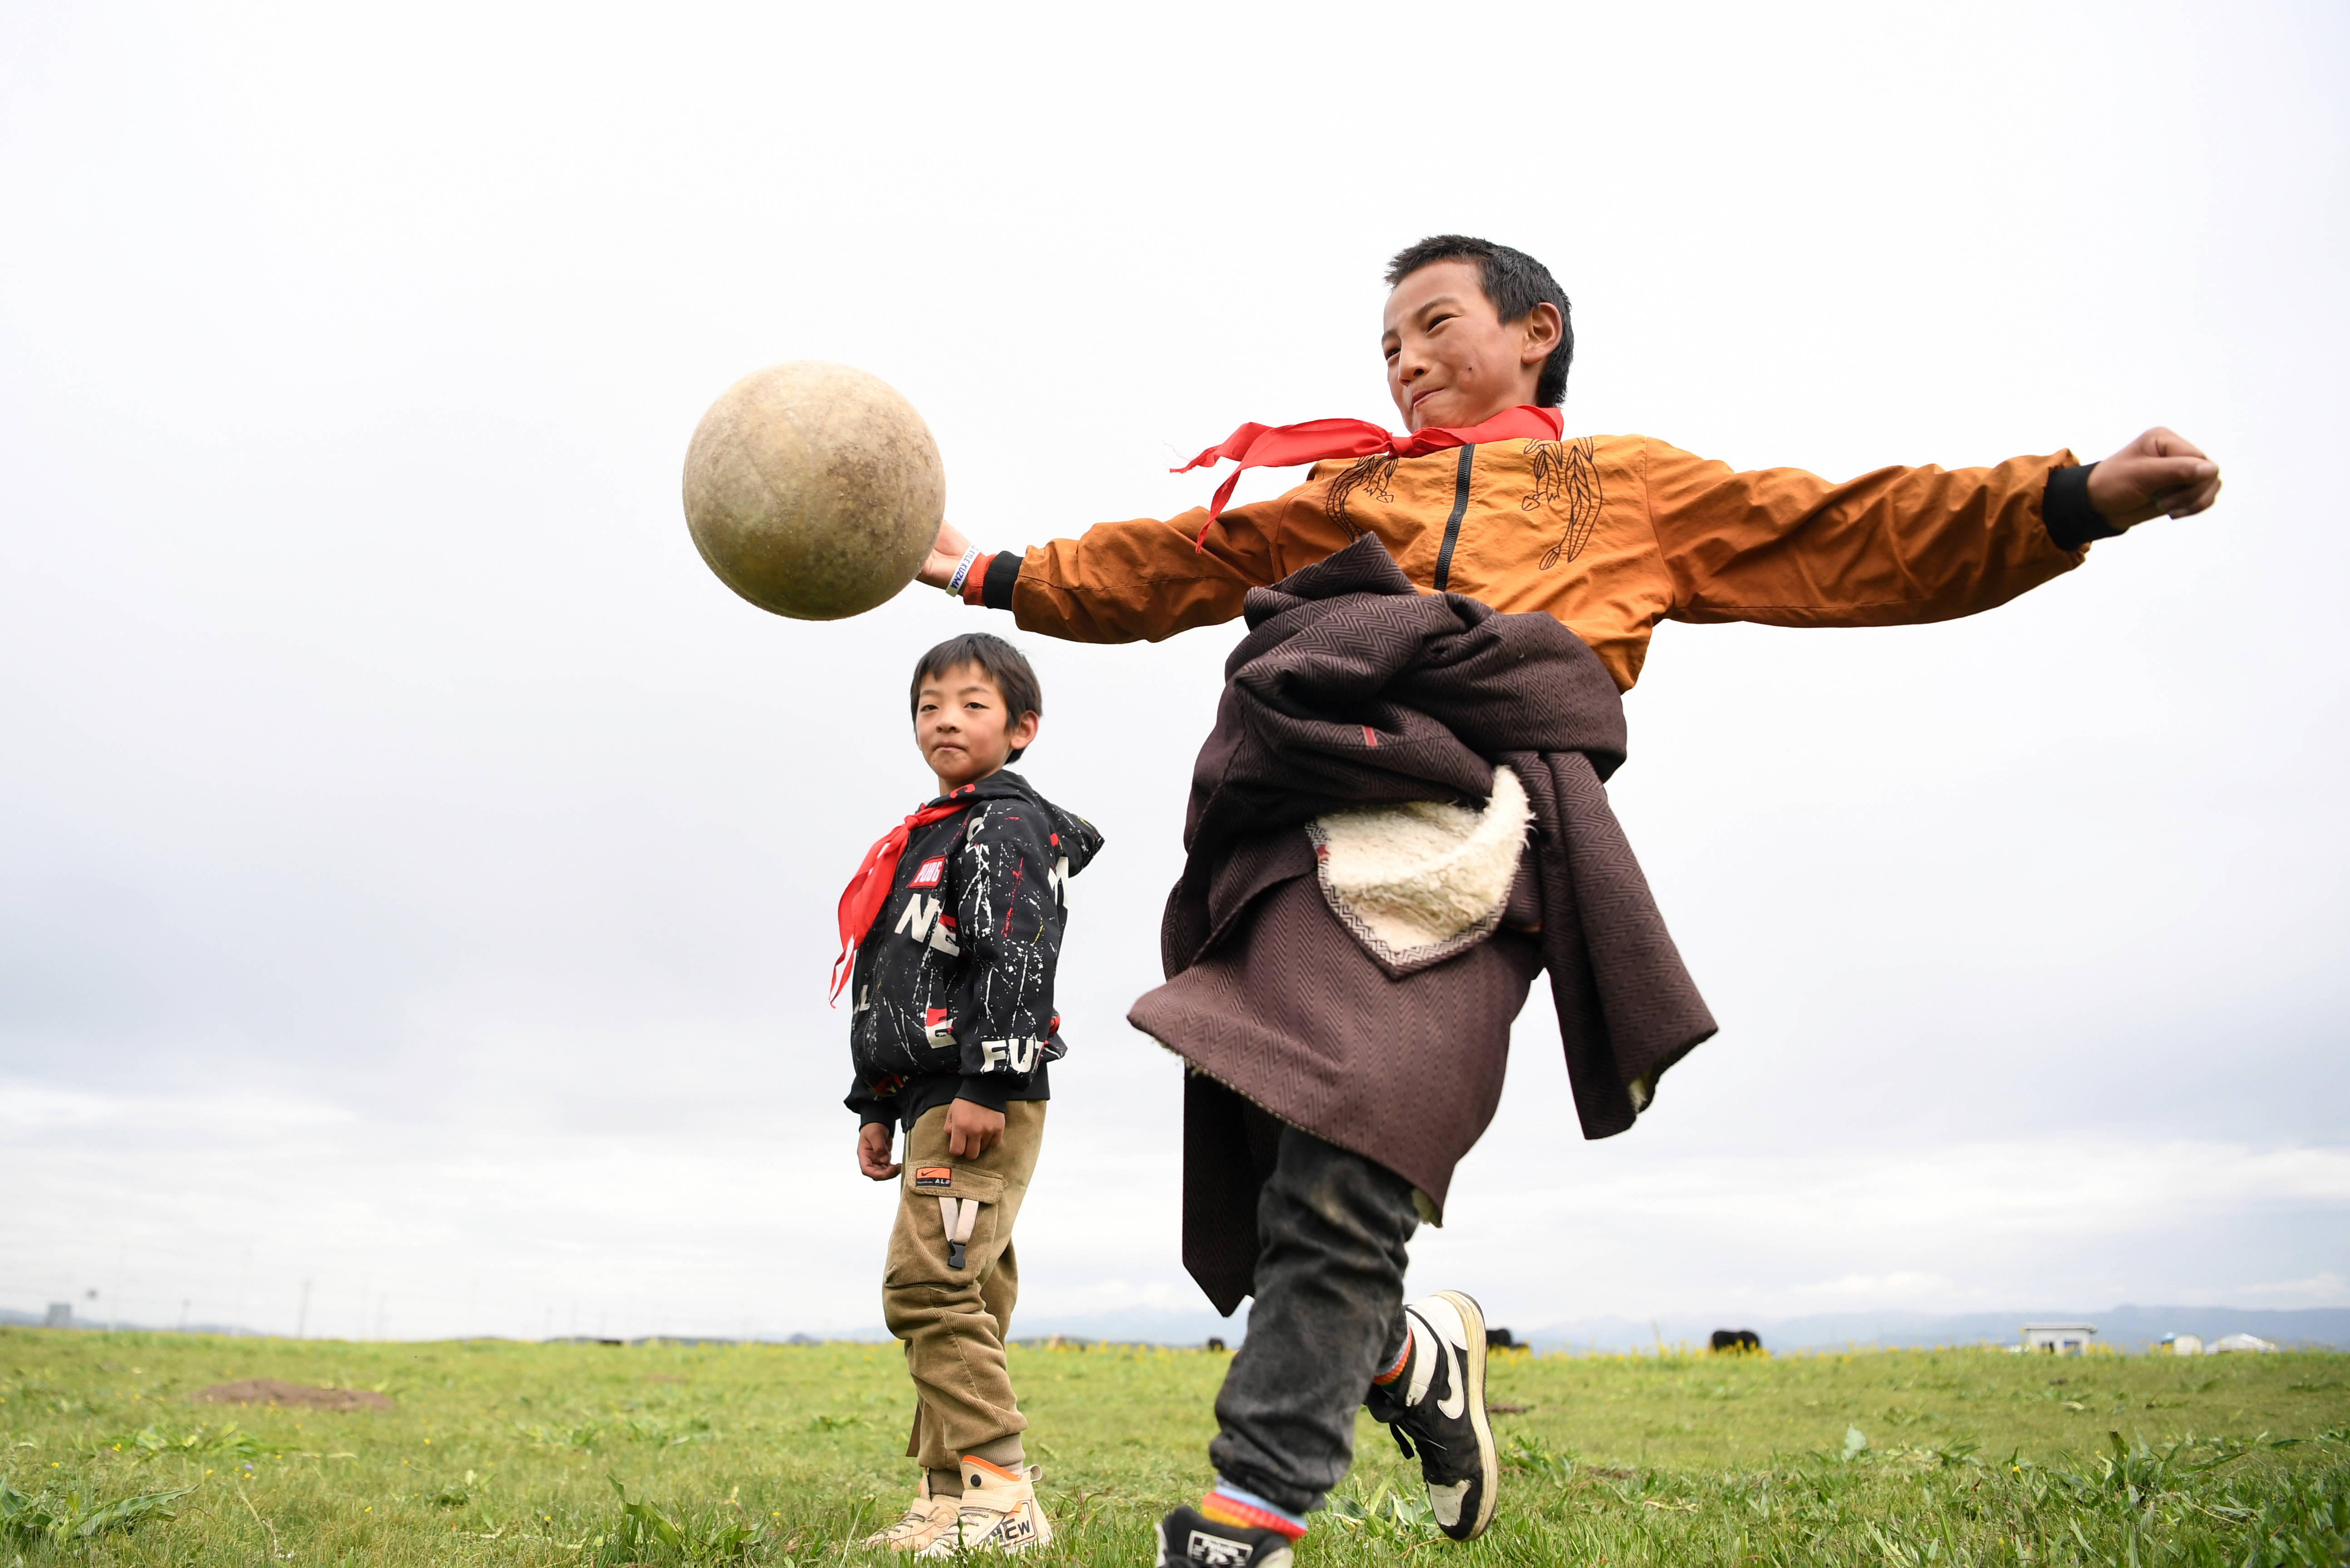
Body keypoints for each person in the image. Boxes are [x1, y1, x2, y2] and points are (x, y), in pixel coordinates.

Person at [915, 235, 2222, 1568]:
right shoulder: (1351, 488)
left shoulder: (1633, 486)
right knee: (1285, 1165)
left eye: (1433, 325)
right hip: (1295, 822)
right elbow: (1181, 561)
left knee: (1354, 1143)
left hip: (1482, 838)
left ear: (1536, 331)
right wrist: (990, 571)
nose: (1406, 359)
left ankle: (1248, 1520)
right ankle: (1410, 1356)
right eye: (1387, 346)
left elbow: (1849, 532)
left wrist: (2072, 499)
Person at [833, 632, 1103, 1557]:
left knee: (928, 1288)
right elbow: (900, 979)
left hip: (978, 1088)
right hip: (932, 1092)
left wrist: (990, 1078)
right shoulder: (931, 832)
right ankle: (948, 1502)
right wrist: (877, 1101)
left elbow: (1017, 952)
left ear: (1023, 727)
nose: (945, 717)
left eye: (972, 702)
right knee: (968, 1290)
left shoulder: (1005, 825)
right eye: (929, 703)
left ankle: (1003, 1499)